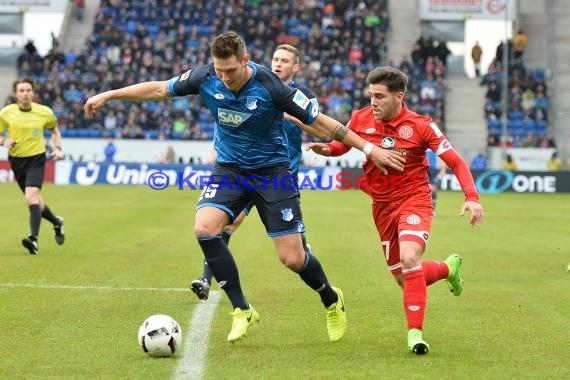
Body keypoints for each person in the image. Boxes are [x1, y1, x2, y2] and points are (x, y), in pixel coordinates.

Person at [83, 31, 406, 343]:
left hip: (273, 174)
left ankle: (330, 298)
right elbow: (159, 90)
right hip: (230, 170)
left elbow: (322, 123)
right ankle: (242, 309)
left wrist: (369, 149)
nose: (224, 77)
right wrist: (109, 94)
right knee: (205, 228)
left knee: (293, 258)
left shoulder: (271, 86)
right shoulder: (205, 76)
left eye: (232, 70)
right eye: (220, 70)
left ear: (246, 60)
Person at [306, 66, 484, 354]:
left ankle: (415, 335)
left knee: (410, 257)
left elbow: (457, 162)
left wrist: (471, 197)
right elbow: (343, 144)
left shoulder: (422, 125)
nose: (372, 102)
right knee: (405, 277)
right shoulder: (361, 117)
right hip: (382, 206)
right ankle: (448, 267)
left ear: (399, 96)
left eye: (379, 96)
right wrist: (328, 149)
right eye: (370, 95)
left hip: (415, 199)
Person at [190, 44, 316, 302]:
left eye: (284, 60)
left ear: (296, 67)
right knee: (228, 223)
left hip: (280, 176)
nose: (278, 64)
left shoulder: (301, 94)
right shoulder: (255, 87)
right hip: (244, 172)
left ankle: (310, 263)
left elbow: (317, 124)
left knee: (294, 252)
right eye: (275, 58)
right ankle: (205, 278)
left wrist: (291, 116)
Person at [0, 78, 65, 254]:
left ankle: (33, 240)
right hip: (16, 161)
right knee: (35, 201)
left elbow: (55, 131)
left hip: (36, 158)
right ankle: (57, 222)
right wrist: (4, 140)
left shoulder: (44, 112)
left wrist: (58, 149)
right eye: (21, 90)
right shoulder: (6, 113)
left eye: (28, 90)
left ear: (33, 92)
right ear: (16, 93)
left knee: (31, 195)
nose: (25, 93)